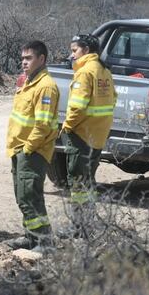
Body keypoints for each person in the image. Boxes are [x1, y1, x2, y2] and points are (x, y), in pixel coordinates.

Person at [4, 40, 60, 250]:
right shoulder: (28, 82)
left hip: (32, 151)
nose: (24, 63)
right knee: (23, 197)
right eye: (22, 59)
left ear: (41, 59)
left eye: (28, 58)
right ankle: (30, 236)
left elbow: (43, 125)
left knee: (31, 196)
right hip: (19, 149)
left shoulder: (46, 87)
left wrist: (28, 149)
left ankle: (44, 242)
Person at [61, 34, 116, 215]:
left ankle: (79, 225)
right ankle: (89, 220)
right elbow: (113, 99)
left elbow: (77, 107)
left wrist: (67, 126)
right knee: (88, 180)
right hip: (98, 136)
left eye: (74, 50)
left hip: (82, 135)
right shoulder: (104, 70)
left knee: (77, 181)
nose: (72, 55)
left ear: (85, 50)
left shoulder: (85, 72)